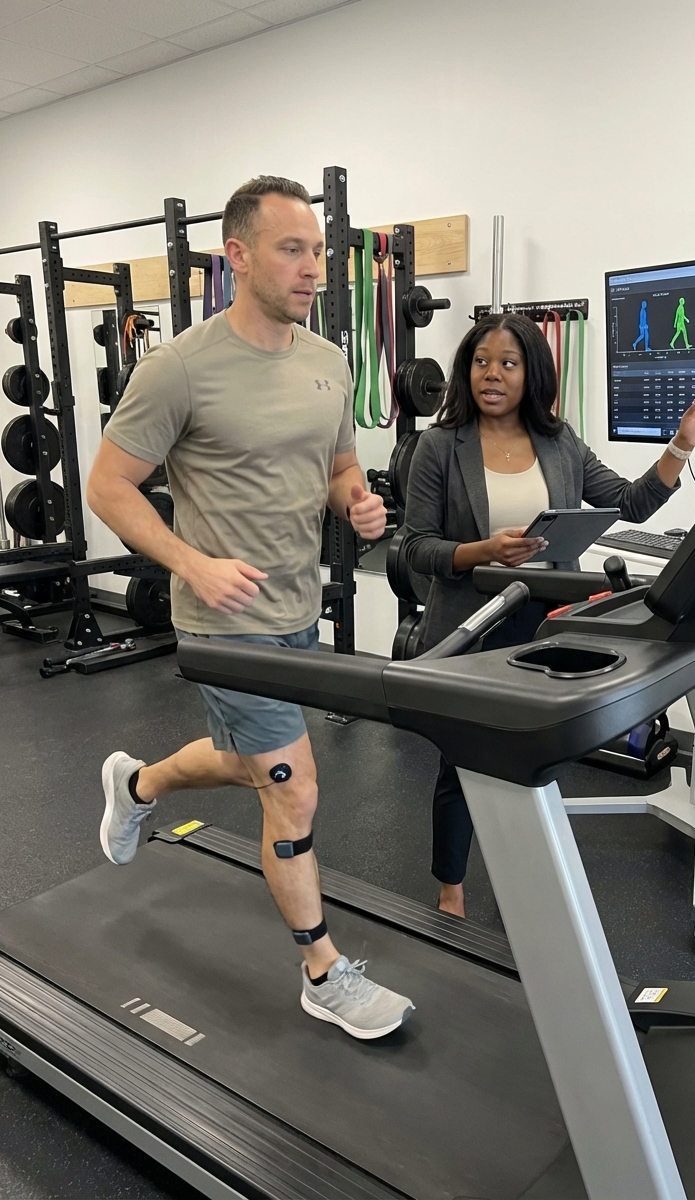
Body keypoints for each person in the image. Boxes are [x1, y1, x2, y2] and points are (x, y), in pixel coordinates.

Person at [87, 175, 414, 1039]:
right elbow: (108, 487)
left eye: (316, 251)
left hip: (295, 610)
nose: (312, 268)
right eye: (291, 249)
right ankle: (322, 969)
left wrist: (358, 501)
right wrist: (191, 559)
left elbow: (340, 463)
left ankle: (138, 783)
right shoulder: (180, 367)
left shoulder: (327, 359)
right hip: (221, 623)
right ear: (237, 256)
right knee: (294, 790)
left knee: (251, 765)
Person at [402, 312, 695, 917]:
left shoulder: (559, 445)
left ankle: (528, 873)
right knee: (464, 764)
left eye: (509, 362)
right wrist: (485, 552)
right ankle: (450, 889)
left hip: (545, 626)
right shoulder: (437, 447)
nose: (493, 374)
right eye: (482, 361)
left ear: (532, 372)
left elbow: (632, 503)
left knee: (538, 760)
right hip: (471, 626)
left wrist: (682, 443)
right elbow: (416, 546)